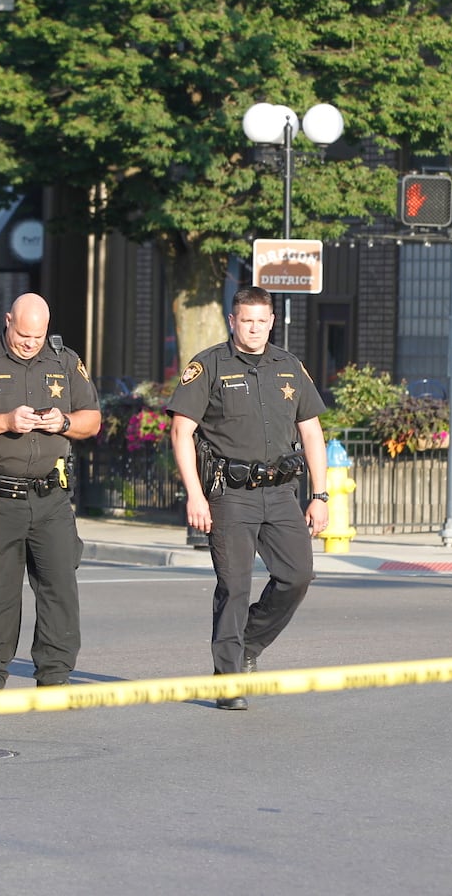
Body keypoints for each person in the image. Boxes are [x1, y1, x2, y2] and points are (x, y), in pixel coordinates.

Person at [167, 286, 329, 711]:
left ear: (271, 321)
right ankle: (228, 679)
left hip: (281, 493)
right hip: (230, 496)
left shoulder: (289, 366)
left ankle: (247, 645)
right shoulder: (209, 366)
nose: (254, 328)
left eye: (261, 321)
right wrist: (195, 496)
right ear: (232, 321)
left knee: (298, 575)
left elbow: (311, 432)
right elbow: (181, 431)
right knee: (235, 587)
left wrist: (321, 495)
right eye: (246, 320)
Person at [0, 293, 100, 689]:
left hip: (50, 497)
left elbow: (92, 420)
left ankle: (55, 676)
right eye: (24, 334)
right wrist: (5, 420)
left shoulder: (64, 360)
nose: (31, 343)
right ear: (8, 320)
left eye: (39, 335)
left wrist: (63, 422)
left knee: (59, 587)